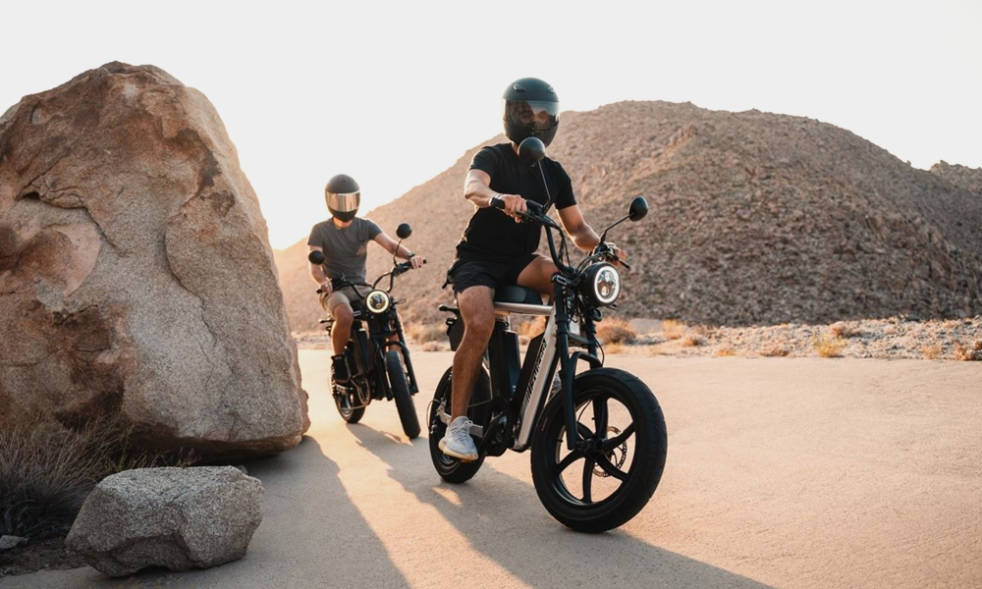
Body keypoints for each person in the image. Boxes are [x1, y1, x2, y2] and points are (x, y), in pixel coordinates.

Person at [439, 78, 626, 461]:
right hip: (477, 260)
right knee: (480, 322)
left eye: (543, 114)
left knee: (570, 284)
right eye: (528, 113)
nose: (536, 120)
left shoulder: (553, 173)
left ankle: (547, 374)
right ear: (511, 115)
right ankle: (456, 426)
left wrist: (602, 247)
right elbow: (472, 187)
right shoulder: (492, 156)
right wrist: (499, 198)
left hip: (520, 261)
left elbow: (577, 229)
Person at [308, 173, 424, 382]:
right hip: (334, 289)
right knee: (345, 315)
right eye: (339, 201)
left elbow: (391, 245)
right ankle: (339, 360)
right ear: (329, 201)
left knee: (389, 310)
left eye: (349, 200)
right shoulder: (320, 230)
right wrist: (323, 281)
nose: (345, 206)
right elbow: (315, 265)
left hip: (362, 287)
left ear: (358, 200)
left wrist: (411, 256)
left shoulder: (366, 226)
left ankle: (396, 361)